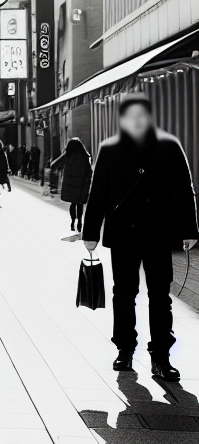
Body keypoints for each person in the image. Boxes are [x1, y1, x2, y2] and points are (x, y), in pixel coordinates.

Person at [83, 93, 198, 380]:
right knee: (124, 293)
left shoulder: (169, 147)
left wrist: (190, 230)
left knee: (160, 296)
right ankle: (125, 349)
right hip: (123, 234)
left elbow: (185, 190)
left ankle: (161, 356)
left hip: (159, 234)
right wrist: (90, 232)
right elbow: (97, 194)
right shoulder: (110, 150)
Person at [49, 137, 92, 233]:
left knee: (73, 204)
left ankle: (72, 222)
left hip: (70, 186)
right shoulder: (85, 156)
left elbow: (53, 165)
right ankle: (80, 222)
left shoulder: (68, 155)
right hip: (81, 185)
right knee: (79, 204)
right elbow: (89, 172)